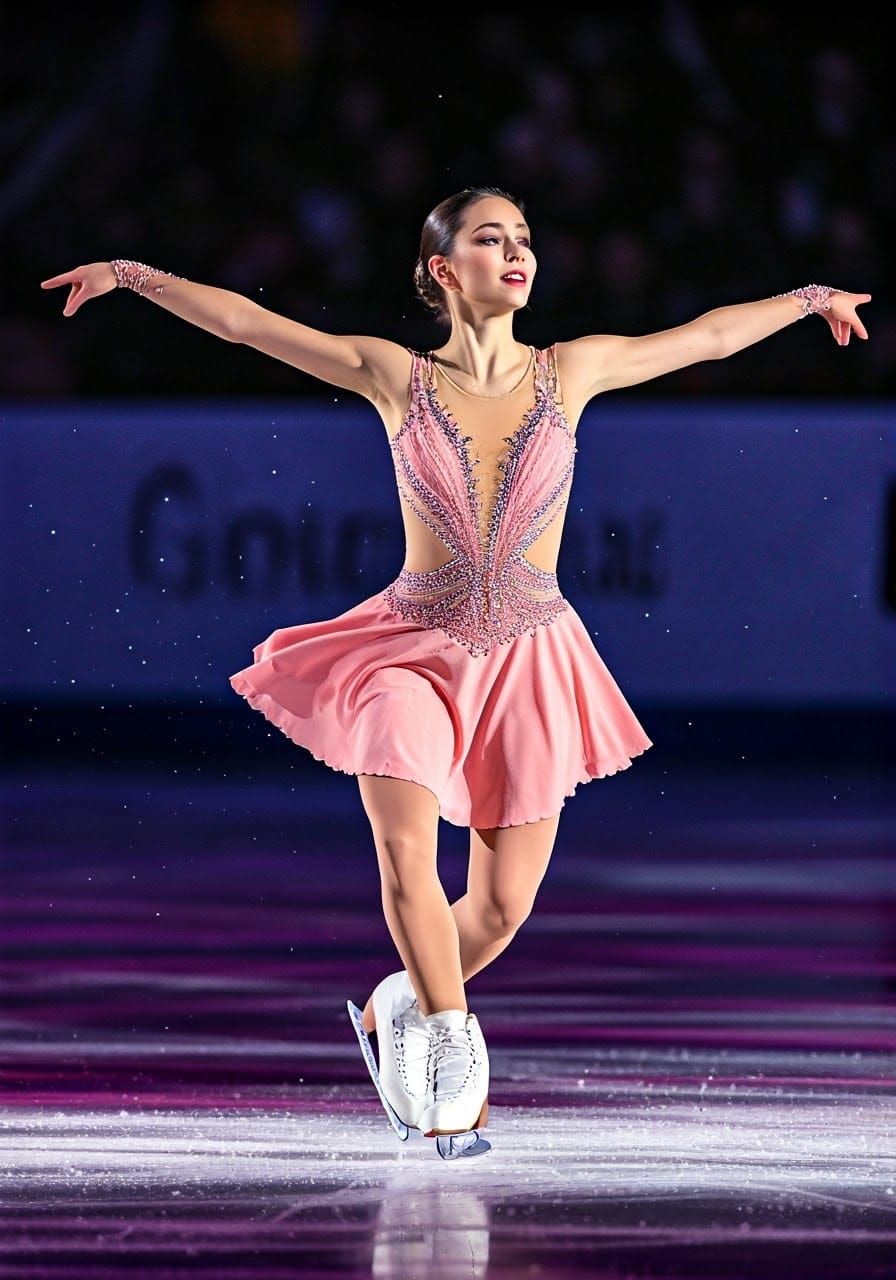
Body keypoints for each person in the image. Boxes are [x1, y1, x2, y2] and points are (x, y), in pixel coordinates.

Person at [39, 185, 872, 1158]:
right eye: (490, 238)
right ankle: (450, 1041)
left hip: (530, 659)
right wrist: (132, 274)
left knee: (500, 907)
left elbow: (707, 338)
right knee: (405, 853)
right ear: (443, 269)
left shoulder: (572, 371)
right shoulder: (394, 375)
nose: (516, 252)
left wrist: (807, 298)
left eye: (523, 238)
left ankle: (395, 1003)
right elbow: (247, 325)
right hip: (408, 653)